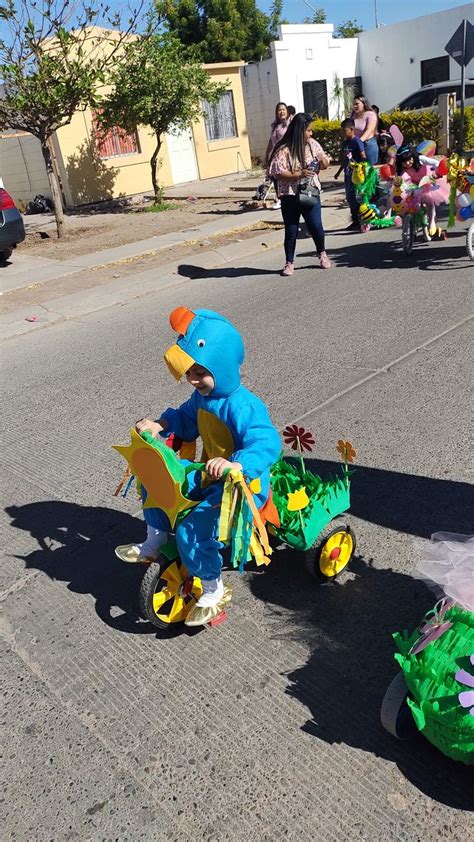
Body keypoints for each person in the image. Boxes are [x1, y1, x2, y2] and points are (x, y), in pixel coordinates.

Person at [115, 306, 281, 627]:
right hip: (210, 473)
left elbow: (266, 443)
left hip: (241, 486)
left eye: (199, 372)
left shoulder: (244, 405)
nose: (192, 379)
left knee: (193, 525)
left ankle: (212, 587)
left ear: (220, 363)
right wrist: (159, 424)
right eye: (189, 372)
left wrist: (236, 464)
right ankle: (154, 541)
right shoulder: (202, 399)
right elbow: (185, 420)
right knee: (156, 480)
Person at [268, 112, 331, 273]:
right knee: (291, 230)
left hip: (310, 192)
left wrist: (325, 162)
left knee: (316, 226)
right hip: (290, 195)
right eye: (308, 130)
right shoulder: (284, 149)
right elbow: (277, 171)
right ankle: (289, 262)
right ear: (299, 130)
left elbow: (323, 161)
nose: (311, 133)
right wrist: (298, 174)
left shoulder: (312, 144)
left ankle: (322, 254)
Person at [395, 146, 449, 234]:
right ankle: (406, 223)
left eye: (410, 160)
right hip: (412, 185)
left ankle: (432, 222)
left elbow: (437, 163)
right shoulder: (401, 168)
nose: (408, 163)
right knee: (405, 202)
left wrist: (437, 173)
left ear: (413, 156)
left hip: (427, 181)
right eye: (404, 162)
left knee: (429, 199)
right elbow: (400, 179)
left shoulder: (420, 159)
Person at [334, 118, 366, 230]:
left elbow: (363, 157)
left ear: (351, 129)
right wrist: (338, 172)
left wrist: (362, 169)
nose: (342, 132)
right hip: (347, 174)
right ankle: (355, 219)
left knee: (355, 197)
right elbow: (344, 159)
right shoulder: (345, 143)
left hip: (356, 175)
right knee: (349, 197)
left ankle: (362, 217)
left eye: (344, 130)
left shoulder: (357, 141)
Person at [264, 102, 290, 210]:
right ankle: (280, 198)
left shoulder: (289, 124)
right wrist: (267, 154)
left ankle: (286, 198)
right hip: (275, 156)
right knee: (275, 177)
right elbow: (271, 141)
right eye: (279, 110)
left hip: (286, 155)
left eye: (283, 109)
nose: (282, 112)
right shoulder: (274, 126)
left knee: (285, 176)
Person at [352, 96, 379, 165]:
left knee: (369, 171)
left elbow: (369, 130)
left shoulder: (371, 114)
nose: (355, 106)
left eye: (357, 104)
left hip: (368, 145)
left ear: (364, 103)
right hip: (356, 146)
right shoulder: (353, 116)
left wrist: (359, 141)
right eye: (354, 104)